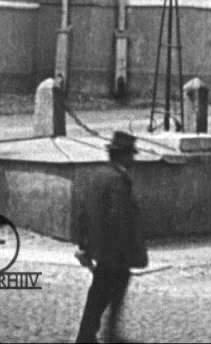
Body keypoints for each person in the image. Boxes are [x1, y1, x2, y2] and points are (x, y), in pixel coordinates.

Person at [75, 131, 149, 344]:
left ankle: (89, 334)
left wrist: (84, 246)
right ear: (123, 156)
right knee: (113, 289)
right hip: (115, 251)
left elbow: (83, 213)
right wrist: (129, 250)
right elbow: (120, 218)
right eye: (131, 155)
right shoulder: (119, 181)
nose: (133, 160)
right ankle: (106, 334)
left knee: (98, 292)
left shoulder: (96, 176)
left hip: (100, 249)